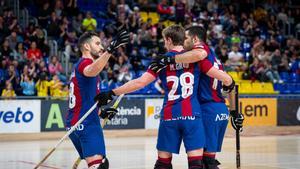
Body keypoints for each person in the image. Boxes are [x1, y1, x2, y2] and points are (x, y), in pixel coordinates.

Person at [96, 25, 207, 169]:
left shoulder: (160, 61)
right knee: (196, 164)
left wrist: (111, 93)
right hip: (193, 114)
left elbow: (140, 82)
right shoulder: (195, 56)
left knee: (163, 164)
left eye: (164, 40)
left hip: (170, 116)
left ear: (168, 40)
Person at [153, 26, 244, 169]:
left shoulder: (200, 51)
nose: (183, 41)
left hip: (207, 108)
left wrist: (168, 59)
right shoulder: (214, 56)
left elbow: (199, 54)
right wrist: (234, 111)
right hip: (219, 109)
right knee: (208, 160)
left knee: (205, 163)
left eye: (186, 38)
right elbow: (230, 82)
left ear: (195, 39)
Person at [66, 28, 129, 169]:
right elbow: (92, 70)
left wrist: (101, 113)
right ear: (87, 46)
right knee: (98, 166)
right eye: (97, 43)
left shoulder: (79, 68)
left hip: (76, 122)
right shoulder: (84, 64)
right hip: (86, 123)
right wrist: (110, 50)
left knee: (102, 163)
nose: (101, 47)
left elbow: (85, 99)